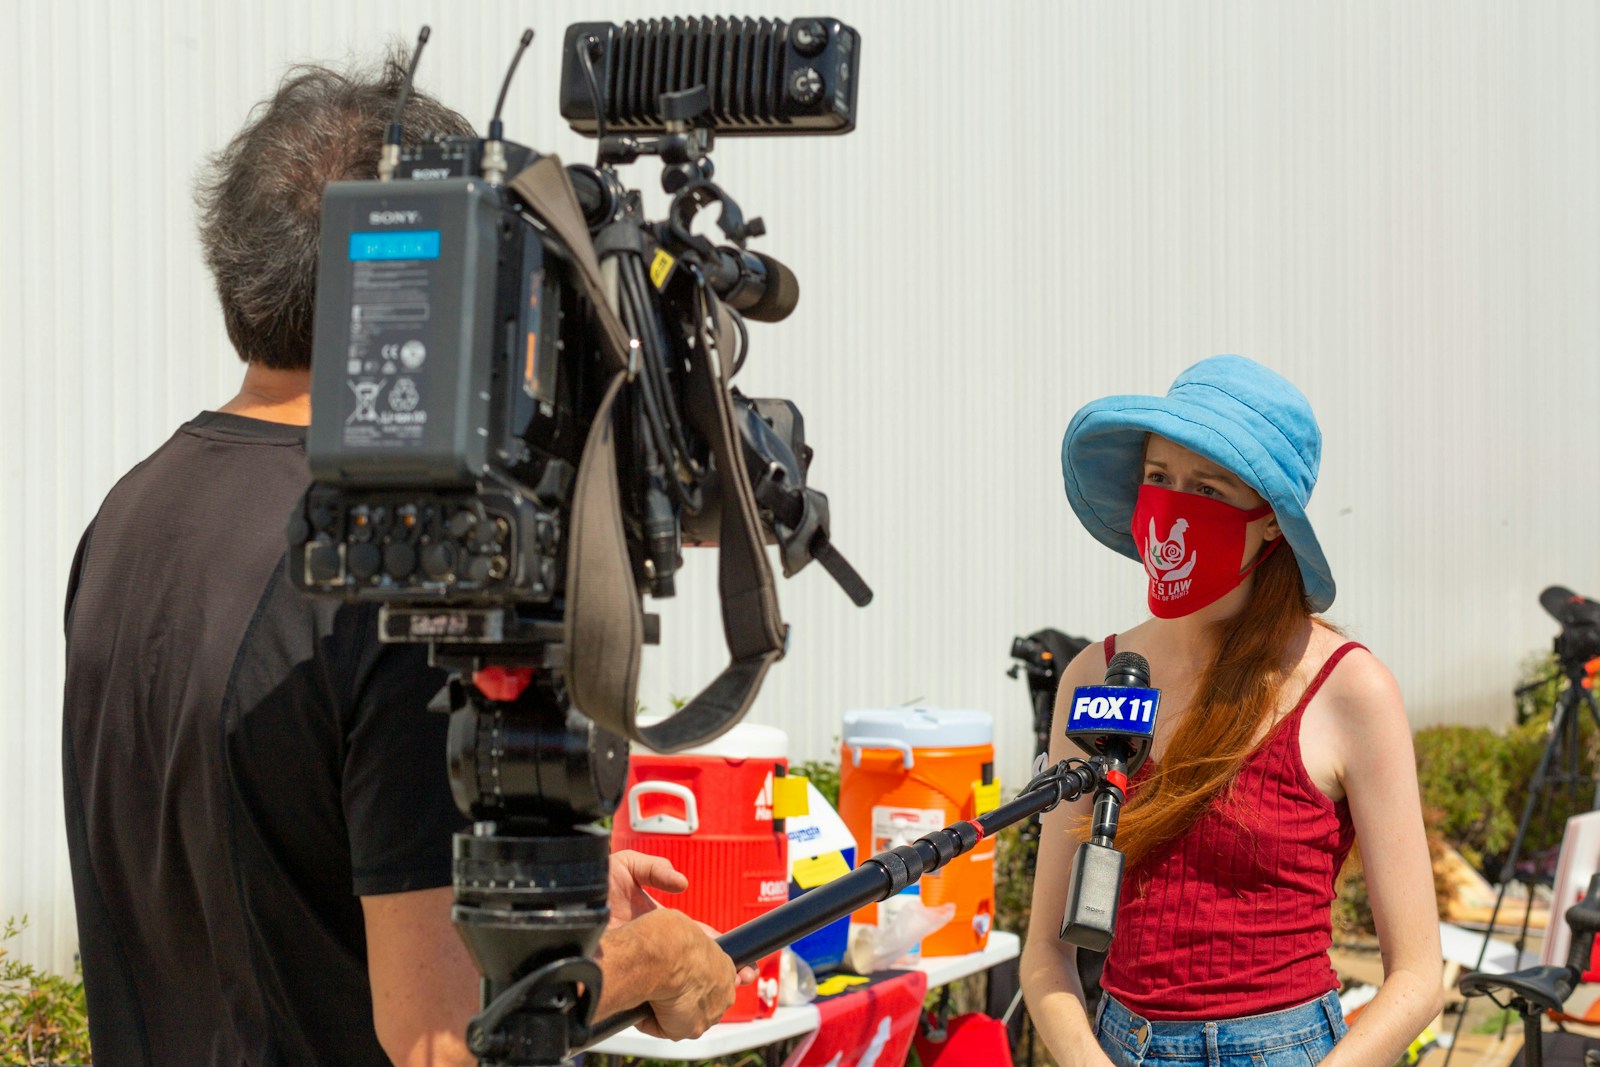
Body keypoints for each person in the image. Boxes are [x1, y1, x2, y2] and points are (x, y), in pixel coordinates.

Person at [61, 54, 744, 1066]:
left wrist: (527, 889)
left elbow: (284, 848)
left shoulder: (133, 507)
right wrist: (655, 958)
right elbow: (437, 1041)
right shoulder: (408, 559)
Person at [1020, 356, 1442, 1067]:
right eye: (1158, 477)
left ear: (1270, 525)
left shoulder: (1347, 687)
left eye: (1209, 487)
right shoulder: (1095, 674)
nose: (1173, 506)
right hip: (1122, 1043)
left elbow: (1419, 976)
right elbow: (1045, 954)